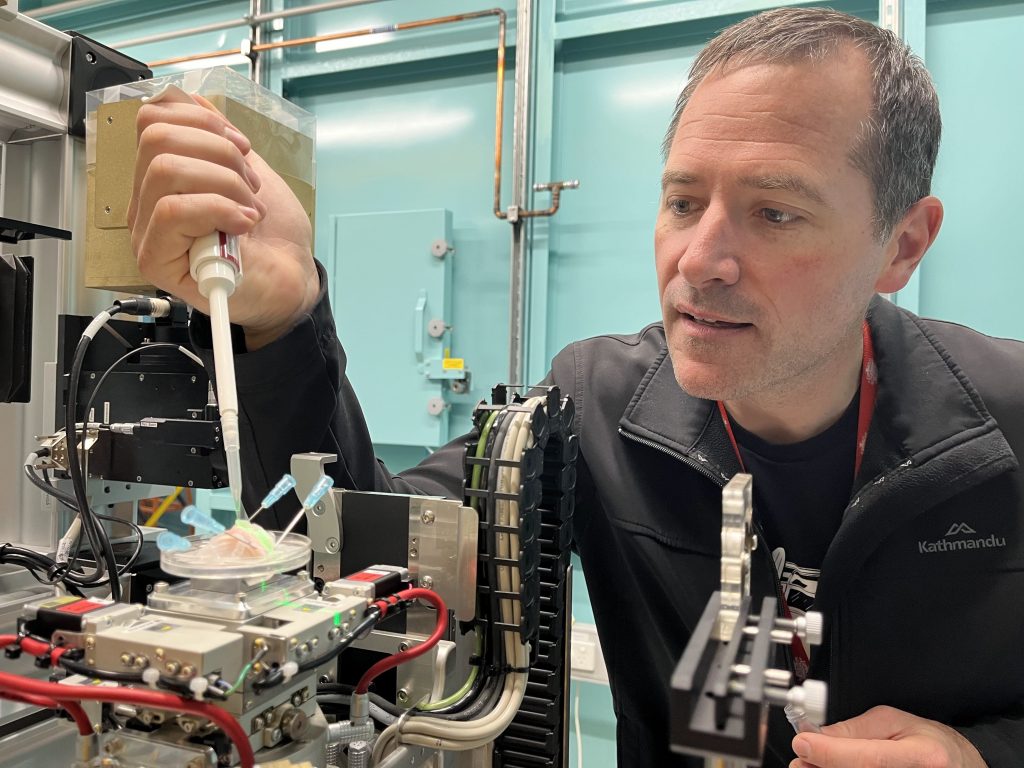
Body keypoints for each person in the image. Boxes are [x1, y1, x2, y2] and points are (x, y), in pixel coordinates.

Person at [129, 7, 1024, 767]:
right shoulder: (598, 405)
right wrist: (284, 319)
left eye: (775, 212)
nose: (700, 261)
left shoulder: (1007, 424)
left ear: (904, 244)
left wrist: (983, 752)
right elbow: (368, 565)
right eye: (682, 202)